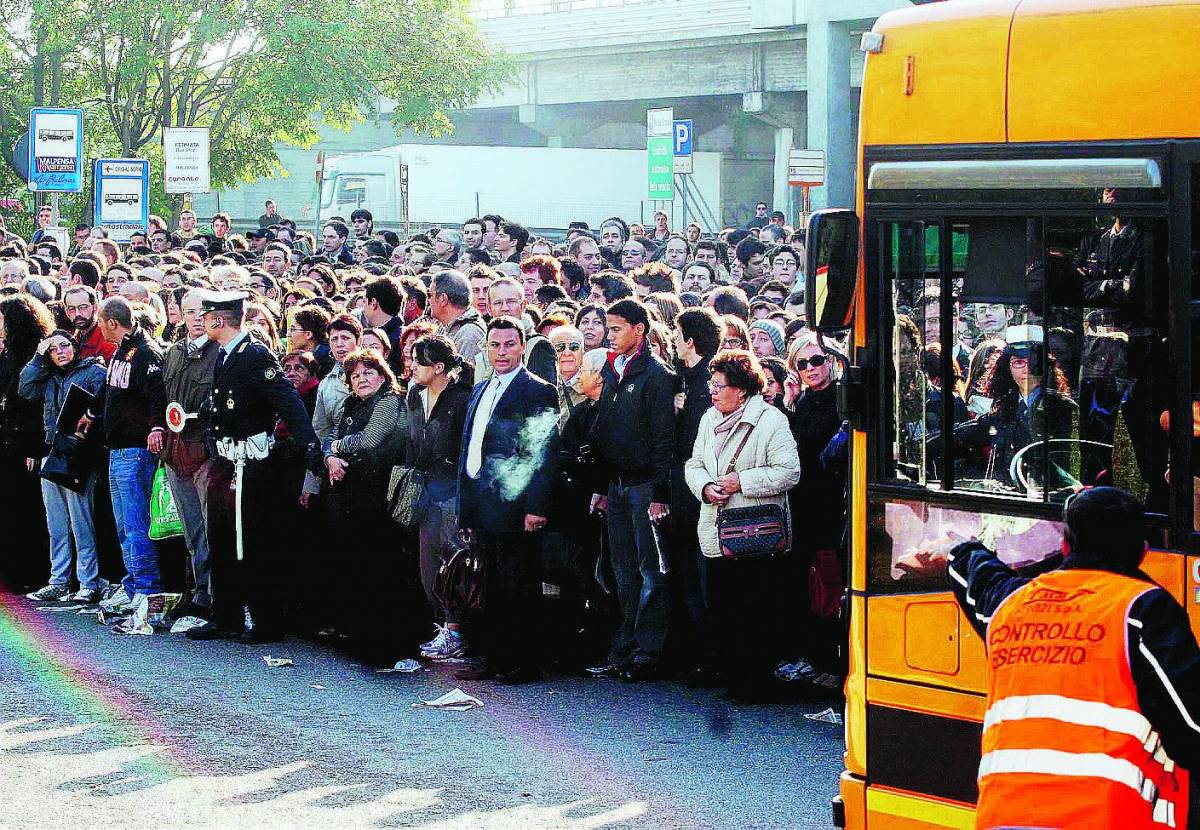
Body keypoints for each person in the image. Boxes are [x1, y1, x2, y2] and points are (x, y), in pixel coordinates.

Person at [941, 487, 1200, 830]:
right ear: (1143, 552)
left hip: (1004, 821)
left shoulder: (1011, 605)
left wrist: (963, 548)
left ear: (1065, 545)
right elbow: (1192, 726)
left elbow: (976, 575)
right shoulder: (1143, 611)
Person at [186, 291, 316, 643]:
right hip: (228, 460)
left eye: (206, 314)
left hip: (253, 462)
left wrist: (308, 445)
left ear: (219, 319)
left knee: (254, 543)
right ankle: (225, 614)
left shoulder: (255, 355)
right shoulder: (224, 355)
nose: (202, 320)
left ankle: (266, 618)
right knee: (223, 539)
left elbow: (288, 402)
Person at [684, 349, 800, 700]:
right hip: (718, 528)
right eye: (712, 384)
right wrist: (705, 487)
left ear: (742, 390)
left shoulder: (771, 420)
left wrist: (741, 482)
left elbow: (789, 472)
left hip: (757, 533)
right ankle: (733, 675)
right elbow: (694, 463)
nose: (713, 391)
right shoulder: (708, 418)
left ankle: (755, 680)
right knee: (722, 604)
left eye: (719, 385)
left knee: (756, 607)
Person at [455, 316, 559, 683]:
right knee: (490, 584)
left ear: (522, 346)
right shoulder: (481, 389)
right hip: (482, 502)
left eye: (509, 345)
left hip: (516, 504)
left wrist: (536, 506)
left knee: (518, 584)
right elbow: (470, 447)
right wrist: (464, 506)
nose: (502, 352)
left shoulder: (538, 390)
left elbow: (543, 452)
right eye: (495, 345)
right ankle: (495, 656)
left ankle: (522, 661)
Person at [587, 299, 676, 682]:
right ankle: (623, 647)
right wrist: (600, 486)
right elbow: (603, 429)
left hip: (644, 487)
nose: (611, 335)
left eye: (617, 328)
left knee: (650, 571)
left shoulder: (656, 375)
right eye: (609, 328)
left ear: (639, 329)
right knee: (622, 571)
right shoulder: (612, 369)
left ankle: (648, 651)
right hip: (616, 486)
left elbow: (663, 439)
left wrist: (659, 493)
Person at [77, 297, 167, 612]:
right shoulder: (122, 351)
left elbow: (158, 394)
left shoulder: (145, 353)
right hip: (116, 449)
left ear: (112, 323)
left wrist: (157, 427)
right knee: (123, 524)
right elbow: (110, 389)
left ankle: (147, 588)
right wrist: (90, 412)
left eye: (101, 323)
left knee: (136, 521)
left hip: (136, 450)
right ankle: (133, 585)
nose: (99, 329)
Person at [322, 348, 410, 665]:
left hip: (379, 494)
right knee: (353, 563)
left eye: (368, 372)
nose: (362, 379)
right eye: (356, 375)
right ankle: (356, 633)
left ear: (383, 375)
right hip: (350, 495)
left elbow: (371, 438)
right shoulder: (349, 404)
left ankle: (381, 641)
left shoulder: (389, 401)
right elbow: (329, 438)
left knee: (378, 564)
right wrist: (330, 457)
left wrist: (336, 447)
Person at [779, 332, 849, 692]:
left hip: (832, 503)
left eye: (817, 360)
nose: (811, 369)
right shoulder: (802, 402)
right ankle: (816, 657)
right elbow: (790, 450)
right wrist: (790, 403)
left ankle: (835, 663)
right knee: (808, 583)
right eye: (802, 363)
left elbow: (823, 453)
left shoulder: (842, 399)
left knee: (830, 584)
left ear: (832, 361)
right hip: (803, 502)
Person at [18, 328, 106, 602]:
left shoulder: (93, 371)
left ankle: (88, 583)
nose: (60, 352)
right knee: (56, 523)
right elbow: (25, 388)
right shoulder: (48, 376)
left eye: (65, 345)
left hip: (79, 455)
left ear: (75, 346)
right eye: (53, 349)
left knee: (82, 522)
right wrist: (38, 354)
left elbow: (104, 402)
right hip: (52, 453)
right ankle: (58, 580)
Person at [406, 335, 473, 662]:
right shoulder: (415, 396)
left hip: (451, 494)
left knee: (454, 567)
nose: (412, 367)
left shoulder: (462, 399)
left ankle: (456, 632)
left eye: (419, 361)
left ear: (440, 366)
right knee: (428, 567)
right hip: (423, 492)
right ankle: (442, 628)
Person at [159, 289, 220, 617]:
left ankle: (214, 594)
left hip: (207, 451)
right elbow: (163, 399)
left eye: (203, 312)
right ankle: (198, 590)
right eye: (191, 312)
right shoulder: (172, 353)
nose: (197, 319)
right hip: (176, 450)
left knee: (212, 527)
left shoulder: (221, 352)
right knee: (191, 527)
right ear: (180, 315)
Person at [669, 307, 723, 680]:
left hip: (699, 495)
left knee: (701, 578)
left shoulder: (706, 385)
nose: (672, 340)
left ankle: (709, 658)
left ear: (690, 340)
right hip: (684, 493)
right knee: (686, 574)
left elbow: (698, 447)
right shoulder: (686, 379)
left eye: (676, 333)